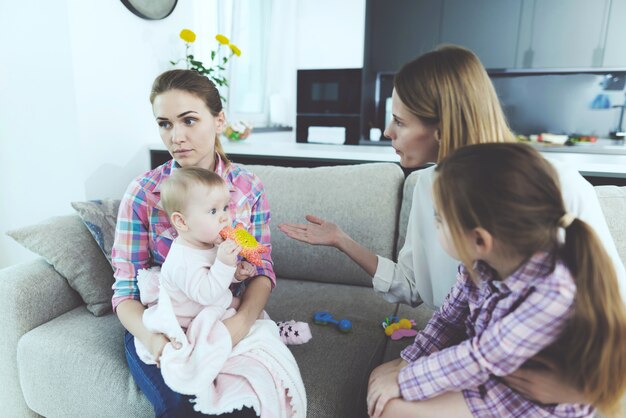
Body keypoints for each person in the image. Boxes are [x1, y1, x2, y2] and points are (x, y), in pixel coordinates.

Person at [278, 45, 626, 404]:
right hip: (473, 357)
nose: (386, 132)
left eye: (399, 121)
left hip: (548, 375)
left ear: (441, 130)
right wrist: (341, 240)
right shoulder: (430, 187)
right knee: (380, 382)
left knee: (393, 405)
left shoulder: (551, 184)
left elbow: (609, 302)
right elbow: (417, 289)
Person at [366, 143, 626, 417]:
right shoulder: (478, 266)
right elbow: (447, 320)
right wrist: (407, 363)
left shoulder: (552, 291)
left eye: (439, 220)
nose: (434, 226)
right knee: (381, 376)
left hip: (534, 401)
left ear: (480, 239)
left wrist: (405, 381)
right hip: (498, 378)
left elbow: (480, 357)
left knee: (392, 407)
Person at [111, 69, 275, 418]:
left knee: (244, 405)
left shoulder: (246, 190)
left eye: (189, 120)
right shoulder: (144, 194)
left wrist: (240, 324)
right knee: (181, 406)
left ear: (219, 121)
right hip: (162, 321)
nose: (176, 137)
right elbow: (125, 290)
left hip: (224, 314)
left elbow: (261, 267)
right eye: (165, 124)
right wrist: (155, 340)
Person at [133, 166, 306, 416]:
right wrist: (225, 263)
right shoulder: (181, 260)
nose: (225, 217)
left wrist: (237, 273)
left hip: (210, 306)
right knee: (231, 314)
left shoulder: (207, 241)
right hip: (189, 318)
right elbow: (207, 293)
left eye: (225, 207)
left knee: (245, 309)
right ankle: (270, 333)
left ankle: (272, 332)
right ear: (181, 221)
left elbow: (215, 278)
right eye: (213, 211)